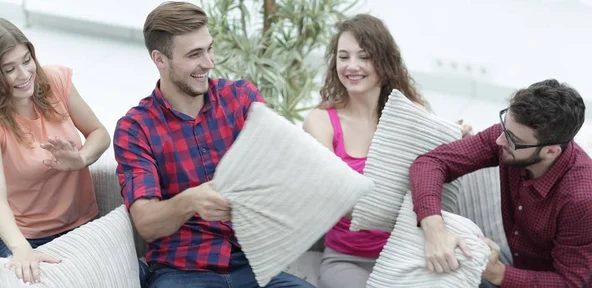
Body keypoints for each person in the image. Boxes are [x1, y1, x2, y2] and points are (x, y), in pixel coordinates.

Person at [112, 2, 315, 288]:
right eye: (195, 54)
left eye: (209, 48)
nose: (209, 62)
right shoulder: (136, 129)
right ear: (160, 59)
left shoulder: (242, 99)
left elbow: (279, 170)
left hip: (252, 265)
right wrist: (190, 200)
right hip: (181, 271)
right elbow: (146, 223)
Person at [303, 14, 472, 288]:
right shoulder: (320, 121)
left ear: (385, 60)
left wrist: (457, 140)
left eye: (364, 56)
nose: (352, 66)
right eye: (343, 57)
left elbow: (435, 175)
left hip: (408, 252)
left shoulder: (413, 114)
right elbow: (331, 190)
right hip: (347, 258)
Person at [409, 79, 592, 287]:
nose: (499, 141)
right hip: (515, 259)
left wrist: (497, 273)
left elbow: (569, 282)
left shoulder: (582, 198)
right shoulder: (510, 138)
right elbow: (431, 162)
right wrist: (435, 229)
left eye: (513, 139)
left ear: (550, 151)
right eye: (504, 126)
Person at [0, 18, 111, 284]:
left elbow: (99, 133)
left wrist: (80, 159)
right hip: (27, 237)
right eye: (9, 69)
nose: (24, 75)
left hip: (84, 225)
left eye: (26, 60)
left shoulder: (56, 80)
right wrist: (21, 248)